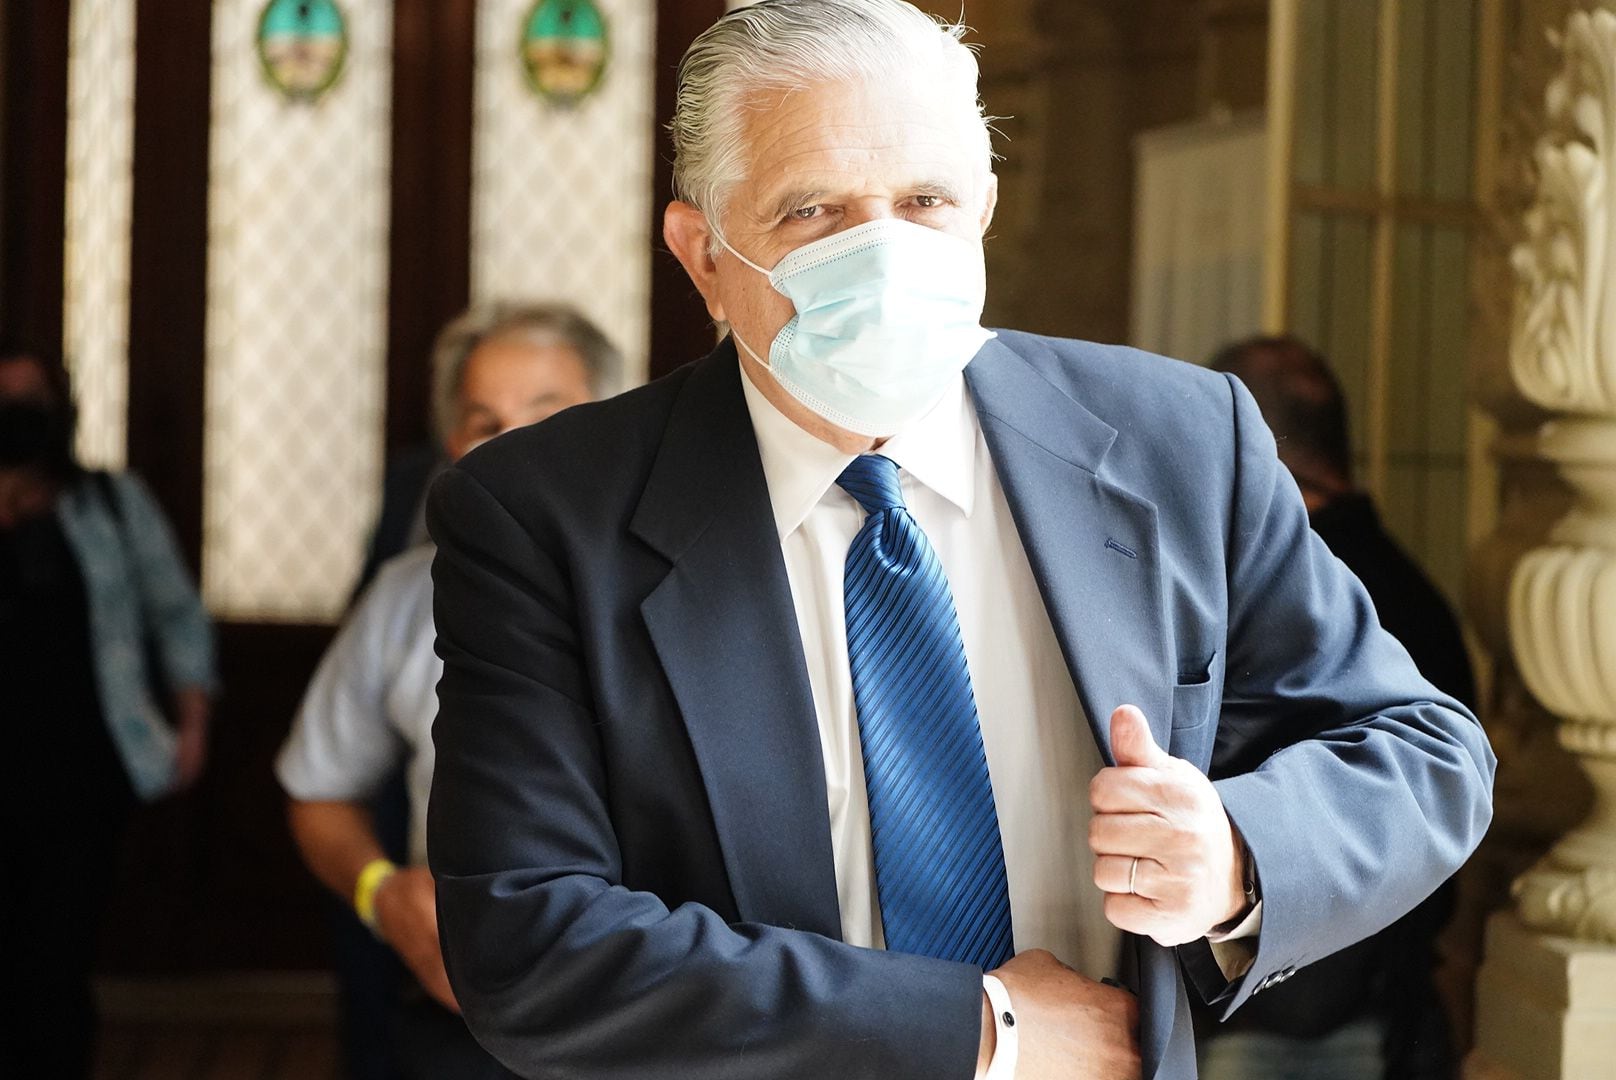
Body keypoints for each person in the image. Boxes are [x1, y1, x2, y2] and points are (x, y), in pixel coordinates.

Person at [424, 3, 1497, 1077]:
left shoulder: (1176, 441)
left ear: (982, 206)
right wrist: (982, 1029)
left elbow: (1422, 751)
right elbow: (527, 941)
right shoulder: (544, 516)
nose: (881, 253)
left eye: (924, 201)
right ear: (703, 253)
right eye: (812, 211)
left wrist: (1234, 860)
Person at [276, 303, 620, 1080]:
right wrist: (381, 893)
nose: (513, 446)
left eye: (547, 414)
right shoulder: (405, 597)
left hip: (666, 1008)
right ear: (454, 448)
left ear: (611, 425)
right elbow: (317, 789)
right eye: (484, 422)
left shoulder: (693, 576)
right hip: (465, 1013)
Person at [1198, 335, 1477, 1080]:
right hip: (1395, 1001)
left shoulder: (1277, 599)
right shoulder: (1417, 595)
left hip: (1289, 1020)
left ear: (1247, 450)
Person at [0, 343, 216, 1078]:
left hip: (80, 771)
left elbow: (176, 612)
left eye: (31, 403)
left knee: (56, 960)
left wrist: (192, 720)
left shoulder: (111, 503)